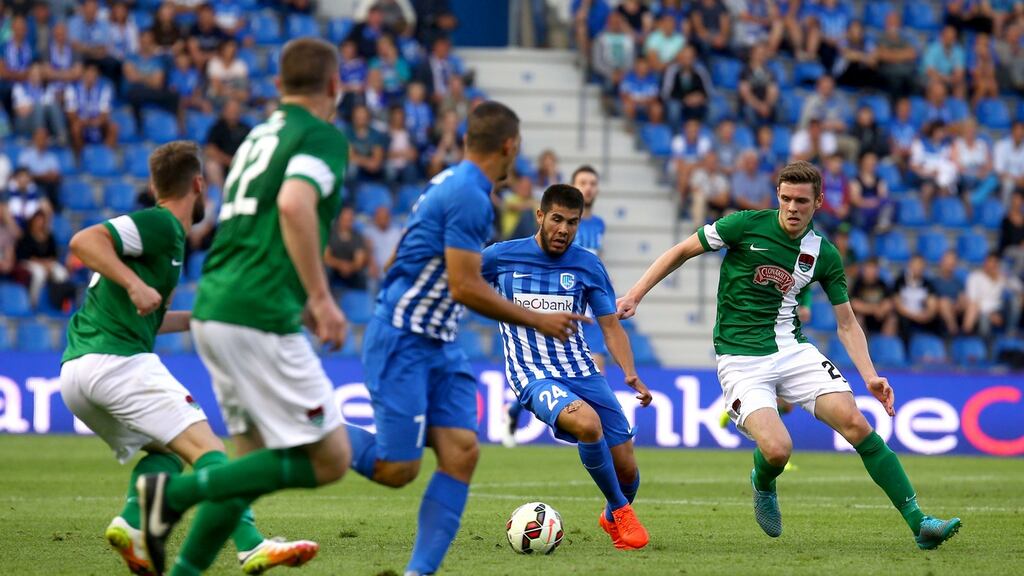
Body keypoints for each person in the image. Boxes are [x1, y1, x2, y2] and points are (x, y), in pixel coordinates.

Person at [617, 160, 962, 550]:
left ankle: (920, 523)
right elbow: (681, 251)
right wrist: (635, 294)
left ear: (818, 202)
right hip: (740, 358)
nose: (792, 207)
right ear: (776, 197)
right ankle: (762, 481)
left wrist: (870, 376)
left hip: (791, 350)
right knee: (778, 450)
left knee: (856, 424)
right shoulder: (744, 225)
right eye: (785, 199)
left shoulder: (823, 254)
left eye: (801, 200)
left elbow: (846, 323)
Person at [135, 38, 354, 576]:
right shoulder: (321, 136)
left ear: (279, 87)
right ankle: (174, 495)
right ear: (333, 86)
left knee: (251, 464)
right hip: (257, 315)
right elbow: (293, 203)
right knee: (331, 459)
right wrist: (322, 300)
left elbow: (256, 230)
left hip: (216, 305)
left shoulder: (259, 135)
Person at [342, 101, 586, 576]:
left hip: (439, 340)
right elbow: (464, 285)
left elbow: (413, 252)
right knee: (398, 470)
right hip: (405, 338)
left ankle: (419, 572)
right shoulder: (470, 196)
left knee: (461, 452)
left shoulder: (453, 183)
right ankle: (311, 426)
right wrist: (538, 320)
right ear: (510, 146)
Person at [59, 141, 315, 576]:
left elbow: (150, 319)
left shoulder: (161, 244)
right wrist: (135, 286)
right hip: (117, 361)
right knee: (211, 452)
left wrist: (205, 317)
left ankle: (133, 524)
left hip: (77, 374)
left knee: (166, 453)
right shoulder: (161, 224)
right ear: (198, 185)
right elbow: (83, 241)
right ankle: (251, 544)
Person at [484, 184, 652, 550]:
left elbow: (610, 325)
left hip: (581, 371)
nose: (563, 229)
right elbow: (462, 282)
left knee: (627, 470)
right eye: (557, 219)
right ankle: (623, 514)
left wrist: (629, 372)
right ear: (540, 216)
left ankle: (611, 513)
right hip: (532, 373)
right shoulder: (500, 257)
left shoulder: (587, 264)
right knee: (587, 423)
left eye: (572, 223)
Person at [503, 165, 610, 446]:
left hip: (586, 311)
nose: (588, 187)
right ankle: (515, 411)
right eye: (583, 182)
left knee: (597, 372)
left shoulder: (599, 225)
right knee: (548, 371)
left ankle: (584, 427)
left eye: (592, 183)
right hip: (558, 307)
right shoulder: (558, 222)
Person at [963, 252, 1023, 338]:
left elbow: (1019, 287)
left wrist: (1006, 276)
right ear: (985, 263)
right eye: (990, 262)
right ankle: (984, 343)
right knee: (984, 319)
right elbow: (972, 301)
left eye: (995, 263)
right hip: (983, 311)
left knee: (1014, 300)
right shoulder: (975, 277)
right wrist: (990, 314)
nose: (992, 265)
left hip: (1000, 310)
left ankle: (1010, 331)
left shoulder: (1002, 277)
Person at [65, 63, 118, 157]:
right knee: (75, 127)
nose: (90, 78)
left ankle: (105, 157)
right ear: (83, 75)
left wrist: (95, 122)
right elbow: (71, 114)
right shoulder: (72, 89)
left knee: (114, 128)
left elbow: (105, 113)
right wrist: (83, 122)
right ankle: (81, 157)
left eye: (93, 75)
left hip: (98, 124)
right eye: (88, 75)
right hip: (81, 123)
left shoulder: (104, 89)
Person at [16, 209, 67, 306]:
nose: (39, 223)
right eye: (37, 220)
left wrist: (48, 264)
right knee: (39, 274)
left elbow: (54, 255)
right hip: (29, 263)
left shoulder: (49, 236)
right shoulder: (26, 236)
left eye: (41, 220)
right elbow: (25, 256)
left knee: (62, 274)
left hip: (48, 263)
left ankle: (57, 301)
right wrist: (42, 263)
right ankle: (33, 303)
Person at [203, 99, 251, 189]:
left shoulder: (245, 128)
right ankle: (223, 196)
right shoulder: (217, 127)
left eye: (236, 110)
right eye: (231, 110)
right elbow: (210, 150)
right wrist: (230, 161)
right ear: (224, 111)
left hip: (242, 165)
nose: (234, 113)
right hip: (223, 165)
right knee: (211, 166)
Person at [893, 255, 940, 339]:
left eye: (920, 265)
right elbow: (898, 305)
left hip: (922, 316)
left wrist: (924, 316)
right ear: (909, 265)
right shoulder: (899, 282)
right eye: (915, 264)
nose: (917, 268)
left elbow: (932, 307)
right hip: (905, 316)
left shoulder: (928, 284)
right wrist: (914, 316)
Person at [325, 205, 370, 291]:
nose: (347, 221)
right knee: (326, 271)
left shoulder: (357, 236)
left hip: (351, 270)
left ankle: (360, 301)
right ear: (339, 219)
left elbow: (359, 261)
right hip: (334, 268)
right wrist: (341, 265)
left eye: (350, 219)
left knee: (362, 276)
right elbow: (326, 257)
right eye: (345, 218)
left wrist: (349, 267)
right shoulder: (330, 233)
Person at [850, 258, 898, 337]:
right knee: (858, 318)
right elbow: (855, 304)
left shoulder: (882, 284)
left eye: (873, 268)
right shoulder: (857, 284)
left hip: (880, 317)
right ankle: (861, 345)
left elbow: (889, 302)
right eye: (869, 268)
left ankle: (885, 345)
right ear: (864, 269)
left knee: (892, 318)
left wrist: (882, 310)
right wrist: (874, 309)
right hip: (865, 318)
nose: (871, 271)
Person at [875, 12, 918, 100]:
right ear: (886, 24)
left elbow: (912, 54)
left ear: (899, 24)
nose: (892, 25)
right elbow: (882, 55)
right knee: (896, 81)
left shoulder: (906, 37)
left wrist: (892, 55)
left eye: (895, 22)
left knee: (916, 82)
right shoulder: (880, 38)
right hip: (888, 73)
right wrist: (902, 55)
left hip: (907, 72)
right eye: (890, 22)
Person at [18, 127, 62, 212]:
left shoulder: (51, 156)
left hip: (49, 187)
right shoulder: (26, 155)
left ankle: (53, 209)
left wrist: (36, 175)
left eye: (44, 138)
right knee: (36, 186)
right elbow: (23, 175)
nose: (42, 140)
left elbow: (56, 176)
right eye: (39, 137)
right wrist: (45, 175)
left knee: (52, 186)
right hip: (31, 186)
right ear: (34, 139)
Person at [848, 152, 891, 233]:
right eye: (868, 161)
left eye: (873, 162)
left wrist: (877, 202)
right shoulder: (855, 180)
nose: (871, 164)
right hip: (862, 212)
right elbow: (855, 200)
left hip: (875, 211)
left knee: (888, 203)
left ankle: (882, 224)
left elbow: (883, 197)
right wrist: (870, 203)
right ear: (862, 162)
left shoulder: (879, 180)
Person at [932, 250, 971, 336]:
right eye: (948, 261)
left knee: (972, 303)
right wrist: (948, 305)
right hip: (940, 313)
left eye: (953, 261)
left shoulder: (958, 282)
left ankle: (966, 331)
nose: (950, 264)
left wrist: (958, 305)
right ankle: (954, 330)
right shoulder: (934, 282)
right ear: (941, 262)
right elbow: (933, 301)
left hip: (956, 310)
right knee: (944, 302)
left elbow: (962, 298)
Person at [364, 204, 402, 281]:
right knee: (370, 274)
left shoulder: (397, 232)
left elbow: (399, 252)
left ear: (389, 218)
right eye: (380, 218)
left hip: (393, 269)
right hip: (375, 271)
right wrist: (372, 264)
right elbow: (367, 252)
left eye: (385, 217)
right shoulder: (368, 232)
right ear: (375, 218)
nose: (382, 220)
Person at [994, 120, 1024, 202]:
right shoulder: (1001, 146)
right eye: (1017, 130)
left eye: (1022, 131)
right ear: (1012, 131)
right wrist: (1016, 180)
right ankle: (1006, 211)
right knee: (1008, 184)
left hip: (1021, 180)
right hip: (1005, 180)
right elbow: (999, 171)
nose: (1020, 133)